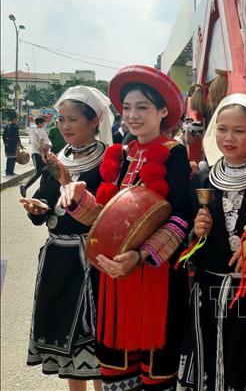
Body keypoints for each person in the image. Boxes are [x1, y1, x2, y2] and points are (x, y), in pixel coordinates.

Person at [59, 65, 191, 391]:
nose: (132, 116)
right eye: (127, 108)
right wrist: (77, 200)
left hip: (155, 277)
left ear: (163, 111)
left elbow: (181, 217)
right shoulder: (120, 154)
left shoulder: (175, 153)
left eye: (142, 107)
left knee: (155, 369)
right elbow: (105, 219)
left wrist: (141, 255)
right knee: (117, 367)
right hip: (114, 278)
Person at [177, 93, 246, 391]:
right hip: (209, 292)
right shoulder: (201, 180)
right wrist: (197, 235)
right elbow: (186, 247)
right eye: (222, 129)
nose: (229, 137)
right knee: (209, 366)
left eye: (239, 130)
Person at [21, 86, 114, 391]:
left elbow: (107, 213)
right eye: (61, 119)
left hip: (91, 260)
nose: (65, 126)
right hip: (57, 260)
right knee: (66, 341)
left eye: (73, 119)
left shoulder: (109, 162)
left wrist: (69, 184)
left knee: (94, 337)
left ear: (94, 121)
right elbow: (46, 202)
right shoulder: (57, 159)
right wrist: (37, 209)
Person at [20, 116, 52, 197]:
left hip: (45, 153)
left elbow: (48, 141)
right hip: (36, 153)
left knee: (46, 172)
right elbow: (35, 143)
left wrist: (48, 145)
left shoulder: (43, 131)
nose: (44, 124)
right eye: (43, 123)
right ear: (39, 123)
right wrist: (41, 147)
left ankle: (43, 192)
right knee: (38, 172)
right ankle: (25, 186)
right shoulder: (33, 130)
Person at [3, 109, 20, 176]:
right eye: (16, 118)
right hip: (13, 144)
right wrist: (20, 144)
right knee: (13, 158)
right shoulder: (15, 126)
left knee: (9, 158)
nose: (17, 120)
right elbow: (16, 136)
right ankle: (10, 172)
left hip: (7, 144)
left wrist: (5, 143)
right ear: (14, 119)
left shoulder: (7, 126)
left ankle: (7, 171)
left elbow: (4, 136)